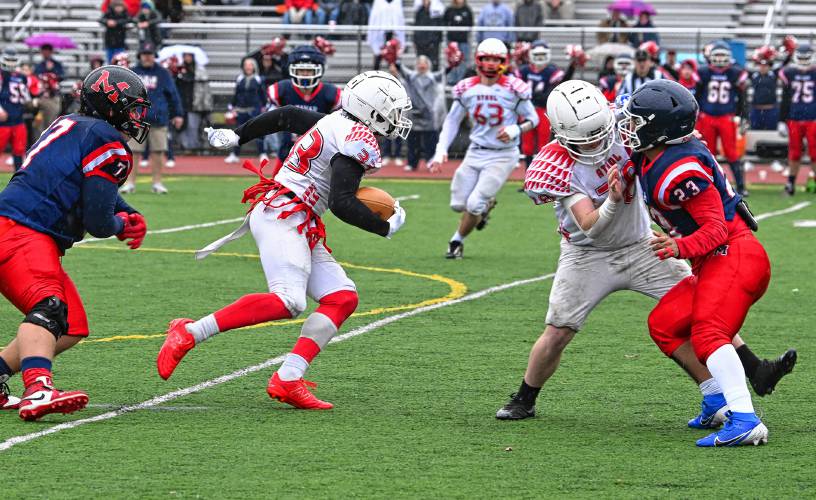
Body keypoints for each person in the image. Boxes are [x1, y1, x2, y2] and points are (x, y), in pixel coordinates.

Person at [497, 80, 795, 422]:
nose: (595, 143)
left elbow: (666, 136)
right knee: (559, 329)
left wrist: (682, 143)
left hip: (643, 245)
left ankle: (730, 387)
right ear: (560, 132)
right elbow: (590, 224)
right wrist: (611, 198)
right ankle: (525, 397)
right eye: (585, 138)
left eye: (599, 133)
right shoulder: (555, 163)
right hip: (587, 254)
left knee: (704, 307)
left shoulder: (626, 126)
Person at [156, 71, 411, 410]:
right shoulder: (354, 138)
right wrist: (385, 227)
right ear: (374, 109)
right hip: (284, 214)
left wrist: (238, 134)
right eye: (393, 110)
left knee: (342, 298)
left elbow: (287, 114)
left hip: (296, 216)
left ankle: (289, 378)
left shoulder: (338, 122)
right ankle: (190, 332)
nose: (398, 119)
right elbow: (342, 202)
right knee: (289, 301)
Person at [619, 79, 777, 446]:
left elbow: (717, 229)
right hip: (716, 260)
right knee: (664, 323)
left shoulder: (680, 167)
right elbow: (639, 163)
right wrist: (626, 171)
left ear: (660, 129)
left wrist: (679, 246)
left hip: (735, 253)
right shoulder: (656, 153)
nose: (630, 130)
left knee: (709, 333)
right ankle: (716, 398)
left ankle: (745, 419)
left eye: (637, 123)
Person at [0, 65, 148, 420]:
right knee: (48, 307)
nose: (136, 116)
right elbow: (98, 221)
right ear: (112, 106)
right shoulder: (107, 140)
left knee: (71, 324)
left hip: (16, 226)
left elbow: (85, 184)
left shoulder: (71, 125)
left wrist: (126, 211)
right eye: (132, 107)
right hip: (23, 230)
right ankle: (38, 388)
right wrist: (120, 225)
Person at [428, 38, 539, 259]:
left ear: (503, 62)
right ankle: (485, 207)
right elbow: (451, 121)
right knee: (458, 204)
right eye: (486, 58)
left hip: (503, 155)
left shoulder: (513, 88)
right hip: (476, 151)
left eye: (495, 59)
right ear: (478, 60)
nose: (490, 64)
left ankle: (456, 242)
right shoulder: (466, 88)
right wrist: (441, 151)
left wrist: (516, 130)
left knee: (473, 203)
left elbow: (533, 119)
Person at [120, 43, 183, 194]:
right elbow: (124, 95)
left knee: (158, 151)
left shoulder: (163, 73)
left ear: (154, 56)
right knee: (134, 152)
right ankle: (130, 183)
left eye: (149, 54)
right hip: (137, 118)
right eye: (144, 54)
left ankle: (157, 182)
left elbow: (173, 94)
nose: (147, 57)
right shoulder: (133, 72)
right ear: (140, 55)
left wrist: (178, 114)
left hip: (158, 117)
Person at [267, 45, 342, 166]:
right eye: (301, 70)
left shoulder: (330, 94)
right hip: (287, 154)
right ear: (293, 70)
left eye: (309, 70)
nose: (305, 74)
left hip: (318, 156)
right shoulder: (281, 90)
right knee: (277, 184)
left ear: (319, 70)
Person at [694, 40, 749, 196]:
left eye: (722, 55)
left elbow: (742, 97)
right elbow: (696, 96)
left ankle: (741, 185)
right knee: (707, 152)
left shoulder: (735, 72)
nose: (719, 58)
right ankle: (706, 183)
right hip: (707, 117)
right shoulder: (703, 71)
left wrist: (743, 116)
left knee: (731, 152)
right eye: (716, 55)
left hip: (726, 117)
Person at [516, 40, 575, 166]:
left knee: (543, 145)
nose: (540, 58)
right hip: (527, 110)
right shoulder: (524, 70)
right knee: (527, 147)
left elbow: (561, 82)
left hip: (543, 110)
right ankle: (528, 176)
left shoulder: (551, 70)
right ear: (531, 55)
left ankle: (541, 175)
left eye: (542, 54)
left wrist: (572, 66)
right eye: (537, 55)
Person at [390, 55, 444, 171]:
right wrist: (397, 57)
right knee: (413, 143)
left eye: (424, 63)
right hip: (414, 114)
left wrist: (451, 64)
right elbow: (400, 68)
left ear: (428, 65)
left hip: (429, 115)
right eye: (420, 63)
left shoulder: (433, 77)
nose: (422, 65)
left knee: (431, 143)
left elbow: (444, 73)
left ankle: (431, 163)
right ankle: (412, 163)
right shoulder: (411, 76)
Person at [778, 44, 816, 195]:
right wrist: (782, 120)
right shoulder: (789, 72)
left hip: (813, 118)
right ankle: (790, 183)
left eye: (806, 58)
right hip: (794, 118)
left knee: (814, 153)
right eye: (801, 58)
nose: (803, 61)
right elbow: (785, 98)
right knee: (794, 153)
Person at [224, 57, 268, 164]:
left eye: (250, 65)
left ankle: (262, 153)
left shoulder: (259, 79)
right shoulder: (239, 79)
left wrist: (264, 106)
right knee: (238, 133)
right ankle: (235, 154)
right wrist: (231, 107)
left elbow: (263, 95)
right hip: (241, 110)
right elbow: (236, 94)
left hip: (254, 110)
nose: (248, 67)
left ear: (254, 67)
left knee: (258, 131)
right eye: (246, 65)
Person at [0, 48, 32, 171]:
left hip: (18, 119)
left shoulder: (22, 77)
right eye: (9, 60)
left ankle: (17, 180)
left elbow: (26, 97)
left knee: (19, 152)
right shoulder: (2, 75)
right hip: (3, 121)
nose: (11, 63)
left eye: (13, 60)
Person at [175, 52, 211, 151]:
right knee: (182, 126)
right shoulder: (179, 70)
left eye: (189, 56)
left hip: (194, 102)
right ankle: (185, 145)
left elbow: (204, 88)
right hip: (182, 101)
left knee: (193, 126)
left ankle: (193, 146)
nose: (187, 58)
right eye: (185, 56)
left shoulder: (199, 70)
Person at [33, 43, 64, 138]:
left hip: (53, 96)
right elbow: (35, 78)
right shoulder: (39, 66)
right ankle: (39, 142)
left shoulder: (57, 65)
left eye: (47, 50)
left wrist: (52, 70)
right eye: (44, 51)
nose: (45, 53)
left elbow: (62, 77)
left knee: (51, 122)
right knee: (39, 124)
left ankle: (50, 141)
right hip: (42, 97)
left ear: (51, 52)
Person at [748, 46, 779, 132]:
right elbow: (739, 69)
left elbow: (784, 65)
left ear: (769, 66)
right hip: (756, 110)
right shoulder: (754, 75)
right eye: (761, 65)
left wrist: (789, 55)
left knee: (771, 135)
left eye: (765, 65)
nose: (763, 67)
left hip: (771, 110)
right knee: (755, 133)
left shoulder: (773, 75)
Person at [443, 0, 473, 84]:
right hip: (452, 40)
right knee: (452, 61)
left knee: (463, 60)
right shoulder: (449, 10)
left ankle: (462, 80)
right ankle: (452, 80)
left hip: (463, 40)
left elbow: (470, 24)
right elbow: (444, 22)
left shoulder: (467, 10)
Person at [414, 0, 443, 70]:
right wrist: (415, 40)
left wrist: (436, 41)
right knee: (421, 63)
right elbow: (416, 27)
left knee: (434, 64)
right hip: (421, 43)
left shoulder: (436, 12)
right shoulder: (419, 12)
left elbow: (439, 28)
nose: (425, 2)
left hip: (433, 43)